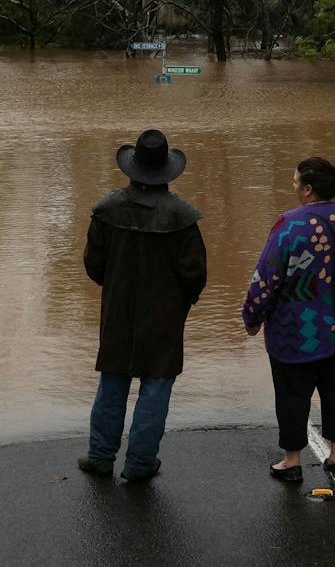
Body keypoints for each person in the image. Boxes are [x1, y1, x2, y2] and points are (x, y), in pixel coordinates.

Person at [241, 157, 335, 482]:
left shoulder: (289, 225)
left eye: (295, 183)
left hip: (297, 332)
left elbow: (266, 277)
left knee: (292, 395)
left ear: (307, 189)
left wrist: (252, 316)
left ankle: (291, 462)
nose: (293, 188)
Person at [79, 129, 207, 482]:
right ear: (167, 171)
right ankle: (138, 465)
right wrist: (182, 303)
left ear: (133, 168)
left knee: (113, 381)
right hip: (165, 315)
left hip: (118, 310)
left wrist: (117, 287)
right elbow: (195, 274)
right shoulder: (182, 218)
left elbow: (94, 265)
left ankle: (101, 456)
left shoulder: (106, 211)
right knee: (156, 386)